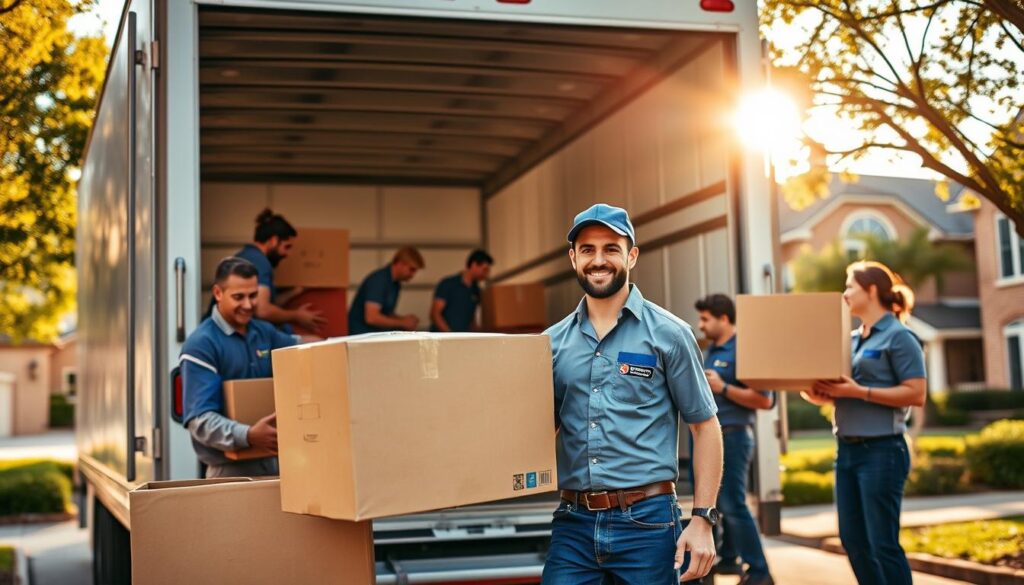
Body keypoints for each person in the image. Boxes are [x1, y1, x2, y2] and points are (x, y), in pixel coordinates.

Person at [542, 203, 723, 584]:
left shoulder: (669, 335)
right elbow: (540, 430)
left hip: (648, 525)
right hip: (572, 524)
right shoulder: (550, 343)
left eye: (611, 248)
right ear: (573, 258)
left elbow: (705, 426)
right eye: (588, 249)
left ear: (632, 255)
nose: (599, 260)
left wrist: (703, 519)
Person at [805, 261, 926, 585]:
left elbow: (916, 393)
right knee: (854, 542)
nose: (845, 293)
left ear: (871, 290)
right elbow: (843, 393)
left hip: (882, 452)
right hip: (847, 451)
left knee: (882, 544)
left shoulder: (900, 336)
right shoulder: (853, 339)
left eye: (850, 286)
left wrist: (858, 391)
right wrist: (820, 393)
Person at [180, 257, 297, 478]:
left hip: (277, 465)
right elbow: (200, 420)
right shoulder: (202, 344)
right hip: (230, 473)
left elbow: (302, 351)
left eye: (253, 296)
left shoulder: (264, 332)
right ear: (217, 293)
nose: (248, 305)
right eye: (238, 297)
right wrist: (248, 435)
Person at [695, 294, 775, 585]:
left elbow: (765, 400)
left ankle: (759, 571)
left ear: (724, 319)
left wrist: (724, 387)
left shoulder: (744, 349)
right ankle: (727, 559)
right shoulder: (713, 349)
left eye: (705, 319)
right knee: (714, 503)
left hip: (735, 437)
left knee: (732, 504)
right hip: (712, 440)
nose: (700, 325)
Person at [207, 209, 324, 335]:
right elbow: (262, 310)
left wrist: (295, 291)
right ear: (274, 241)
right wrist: (296, 315)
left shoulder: (248, 255)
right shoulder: (260, 262)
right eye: (286, 247)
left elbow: (264, 301)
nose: (287, 254)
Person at [348, 246, 424, 335]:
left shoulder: (395, 284)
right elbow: (372, 318)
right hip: (361, 336)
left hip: (374, 335)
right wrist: (403, 323)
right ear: (400, 263)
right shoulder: (379, 280)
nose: (413, 275)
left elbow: (385, 313)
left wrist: (403, 319)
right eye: (412, 269)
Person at [430, 249, 493, 332]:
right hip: (441, 340)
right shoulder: (448, 284)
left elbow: (472, 319)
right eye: (484, 270)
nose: (486, 274)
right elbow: (435, 314)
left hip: (462, 340)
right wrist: (449, 335)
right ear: (474, 265)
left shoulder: (476, 290)